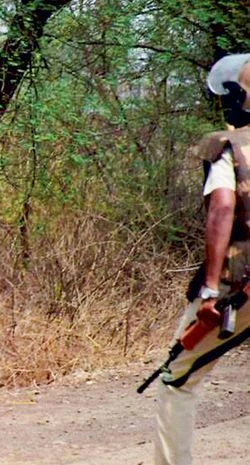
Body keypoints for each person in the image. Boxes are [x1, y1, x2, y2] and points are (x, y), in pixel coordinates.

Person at [154, 53, 250, 465]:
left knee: (177, 376)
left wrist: (210, 287)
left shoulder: (228, 146)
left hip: (237, 287)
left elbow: (223, 208)